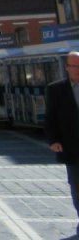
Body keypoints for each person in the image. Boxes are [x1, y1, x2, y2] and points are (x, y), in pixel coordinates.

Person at [46, 51, 79, 233]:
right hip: (72, 146)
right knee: (77, 186)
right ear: (67, 68)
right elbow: (50, 117)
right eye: (74, 66)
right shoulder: (56, 89)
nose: (78, 70)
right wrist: (53, 140)